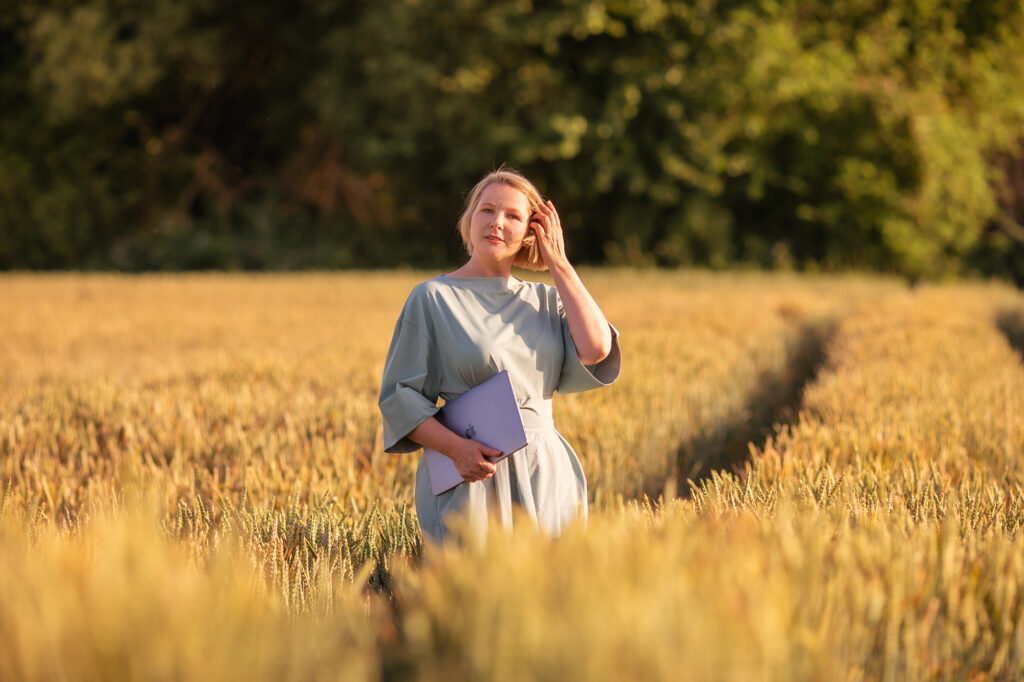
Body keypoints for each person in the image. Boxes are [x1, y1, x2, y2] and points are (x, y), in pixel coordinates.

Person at [378, 168, 621, 544]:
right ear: (469, 220)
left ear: (532, 232)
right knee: (470, 598)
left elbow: (596, 348)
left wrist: (558, 262)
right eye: (486, 210)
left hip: (544, 474)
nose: (497, 223)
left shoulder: (547, 301)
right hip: (471, 476)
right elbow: (399, 399)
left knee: (546, 598)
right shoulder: (432, 298)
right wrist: (456, 451)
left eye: (513, 216)